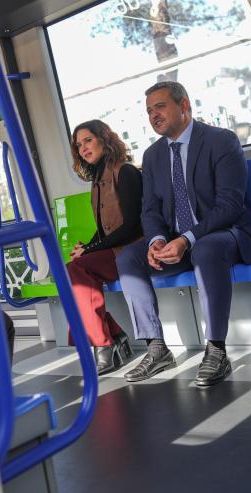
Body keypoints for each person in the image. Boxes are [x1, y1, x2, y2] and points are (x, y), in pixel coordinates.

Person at [116, 81, 251, 386]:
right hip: (177, 241)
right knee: (129, 257)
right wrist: (158, 240)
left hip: (228, 234)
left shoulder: (221, 141)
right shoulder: (152, 156)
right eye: (148, 111)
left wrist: (186, 239)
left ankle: (216, 350)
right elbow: (150, 210)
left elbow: (229, 205)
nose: (153, 115)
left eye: (160, 106)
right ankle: (156, 348)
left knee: (206, 249)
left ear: (184, 105)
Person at [65, 120, 141, 374]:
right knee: (72, 269)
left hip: (133, 250)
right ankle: (112, 336)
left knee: (74, 271)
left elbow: (132, 226)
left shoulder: (125, 171)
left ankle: (105, 342)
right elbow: (105, 228)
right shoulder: (98, 179)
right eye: (78, 145)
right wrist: (87, 247)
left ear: (103, 138)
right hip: (115, 248)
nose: (83, 148)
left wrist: (91, 250)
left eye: (88, 140)